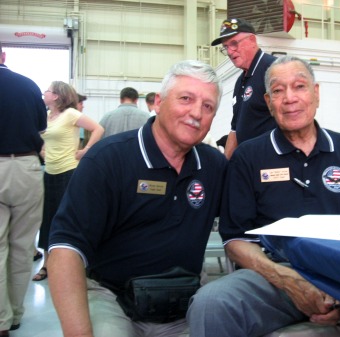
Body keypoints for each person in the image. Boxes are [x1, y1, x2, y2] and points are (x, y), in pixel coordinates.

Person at [187, 56, 340, 337]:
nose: (289, 98)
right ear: (268, 101)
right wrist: (287, 280)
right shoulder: (248, 157)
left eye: (299, 86)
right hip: (274, 276)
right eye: (278, 90)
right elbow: (236, 241)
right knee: (212, 303)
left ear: (316, 93)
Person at [47, 60, 227, 337]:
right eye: (186, 99)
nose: (196, 113)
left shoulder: (213, 166)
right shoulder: (108, 159)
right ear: (157, 102)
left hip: (185, 300)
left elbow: (246, 222)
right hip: (112, 298)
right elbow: (65, 250)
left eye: (208, 106)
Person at [32, 81, 104, 282]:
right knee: (47, 219)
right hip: (49, 172)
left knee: (67, 219)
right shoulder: (47, 116)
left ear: (56, 96)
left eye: (47, 91)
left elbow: (98, 129)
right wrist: (42, 150)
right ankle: (46, 264)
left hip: (68, 172)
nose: (44, 93)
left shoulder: (71, 114)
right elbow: (41, 138)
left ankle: (74, 264)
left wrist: (86, 150)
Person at [0, 41, 47, 336]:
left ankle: (1, 319)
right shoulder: (29, 86)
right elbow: (41, 130)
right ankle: (15, 314)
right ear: (3, 55)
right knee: (22, 248)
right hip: (27, 168)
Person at [211, 18, 277, 159]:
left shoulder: (272, 70)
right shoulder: (240, 81)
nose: (229, 51)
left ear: (252, 40)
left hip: (271, 162)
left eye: (234, 43)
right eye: (226, 47)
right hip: (248, 163)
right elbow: (235, 130)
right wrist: (225, 167)